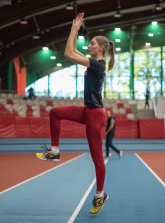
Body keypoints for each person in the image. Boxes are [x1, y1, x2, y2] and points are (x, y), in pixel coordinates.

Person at [35, 13, 114, 214]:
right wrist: (74, 28)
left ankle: (100, 194)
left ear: (101, 48)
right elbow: (69, 51)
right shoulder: (92, 62)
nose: (89, 46)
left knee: (97, 158)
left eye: (92, 43)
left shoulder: (98, 65)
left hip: (95, 115)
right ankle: (54, 151)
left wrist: (75, 30)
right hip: (86, 110)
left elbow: (69, 55)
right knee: (54, 112)